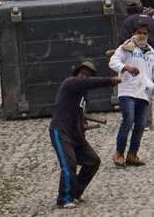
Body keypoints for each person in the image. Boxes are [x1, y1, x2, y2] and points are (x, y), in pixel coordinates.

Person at [49, 62, 121, 208]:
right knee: (69, 164)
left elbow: (78, 114)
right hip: (61, 131)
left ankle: (75, 192)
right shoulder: (70, 83)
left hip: (76, 135)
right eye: (82, 74)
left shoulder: (83, 96)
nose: (84, 77)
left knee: (92, 161)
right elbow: (92, 83)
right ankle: (64, 199)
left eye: (87, 75)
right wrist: (111, 81)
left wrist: (82, 124)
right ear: (77, 74)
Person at [109, 24, 154, 167]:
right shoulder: (126, 47)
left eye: (145, 33)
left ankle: (132, 154)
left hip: (144, 93)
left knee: (141, 124)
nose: (142, 35)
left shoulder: (151, 52)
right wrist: (126, 67)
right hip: (128, 90)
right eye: (139, 32)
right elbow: (113, 62)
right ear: (134, 33)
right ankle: (119, 153)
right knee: (128, 120)